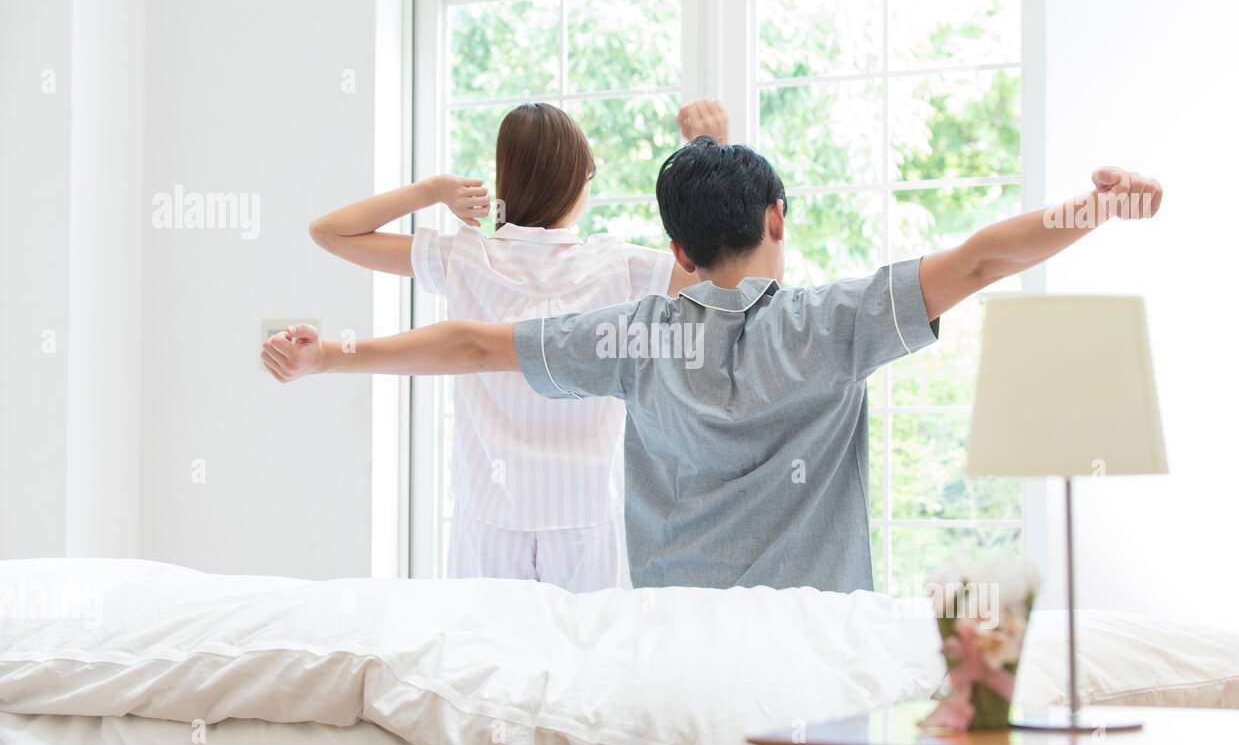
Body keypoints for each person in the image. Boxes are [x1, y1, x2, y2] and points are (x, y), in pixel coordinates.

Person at [265, 122, 1161, 593]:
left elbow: (466, 343)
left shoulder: (632, 334)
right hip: (816, 646)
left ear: (676, 251)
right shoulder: (836, 323)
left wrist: (329, 358)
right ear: (778, 219)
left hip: (673, 646)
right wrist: (1094, 211)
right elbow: (979, 258)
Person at [291, 101, 725, 592]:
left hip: (490, 517)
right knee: (587, 666)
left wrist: (432, 190)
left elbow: (329, 231)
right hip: (584, 517)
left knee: (482, 663)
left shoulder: (466, 257)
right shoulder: (617, 266)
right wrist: (710, 154)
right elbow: (731, 273)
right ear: (577, 183)